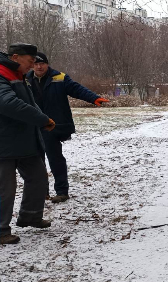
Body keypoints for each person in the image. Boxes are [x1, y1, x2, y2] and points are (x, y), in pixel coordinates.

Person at [0, 44, 55, 244]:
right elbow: (7, 104)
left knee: (38, 178)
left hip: (22, 141)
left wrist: (41, 118)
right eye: (30, 61)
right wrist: (41, 119)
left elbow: (28, 103)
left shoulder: (17, 73)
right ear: (16, 57)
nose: (33, 65)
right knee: (4, 188)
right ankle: (0, 230)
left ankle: (30, 216)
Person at [27, 52, 108, 202]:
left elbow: (77, 89)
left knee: (56, 159)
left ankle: (62, 192)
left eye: (42, 63)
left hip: (51, 126)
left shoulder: (60, 78)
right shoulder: (25, 80)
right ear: (32, 65)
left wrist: (94, 98)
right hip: (33, 126)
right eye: (36, 64)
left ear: (47, 64)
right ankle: (41, 192)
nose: (39, 66)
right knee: (37, 162)